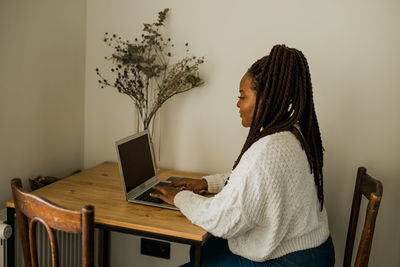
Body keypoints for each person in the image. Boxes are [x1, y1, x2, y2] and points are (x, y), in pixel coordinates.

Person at [151, 44, 335, 266]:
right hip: (311, 250)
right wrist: (205, 183)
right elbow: (256, 184)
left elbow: (223, 220)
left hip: (292, 260)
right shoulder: (290, 133)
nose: (238, 104)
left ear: (266, 99)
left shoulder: (269, 149)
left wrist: (178, 197)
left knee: (202, 252)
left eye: (242, 96)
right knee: (203, 250)